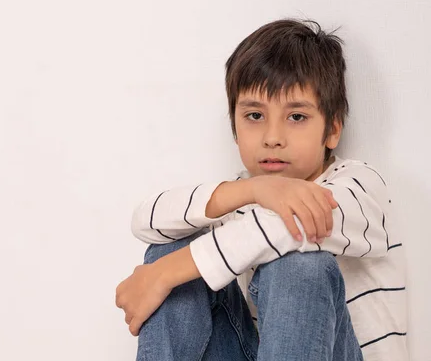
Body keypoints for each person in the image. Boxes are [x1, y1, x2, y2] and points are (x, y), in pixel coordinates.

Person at [115, 19, 408, 360]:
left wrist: (165, 274)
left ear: (332, 129)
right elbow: (146, 220)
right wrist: (251, 190)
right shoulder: (244, 199)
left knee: (300, 266)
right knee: (173, 244)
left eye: (296, 117)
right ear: (235, 128)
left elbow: (292, 226)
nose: (272, 137)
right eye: (255, 115)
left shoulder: (358, 187)